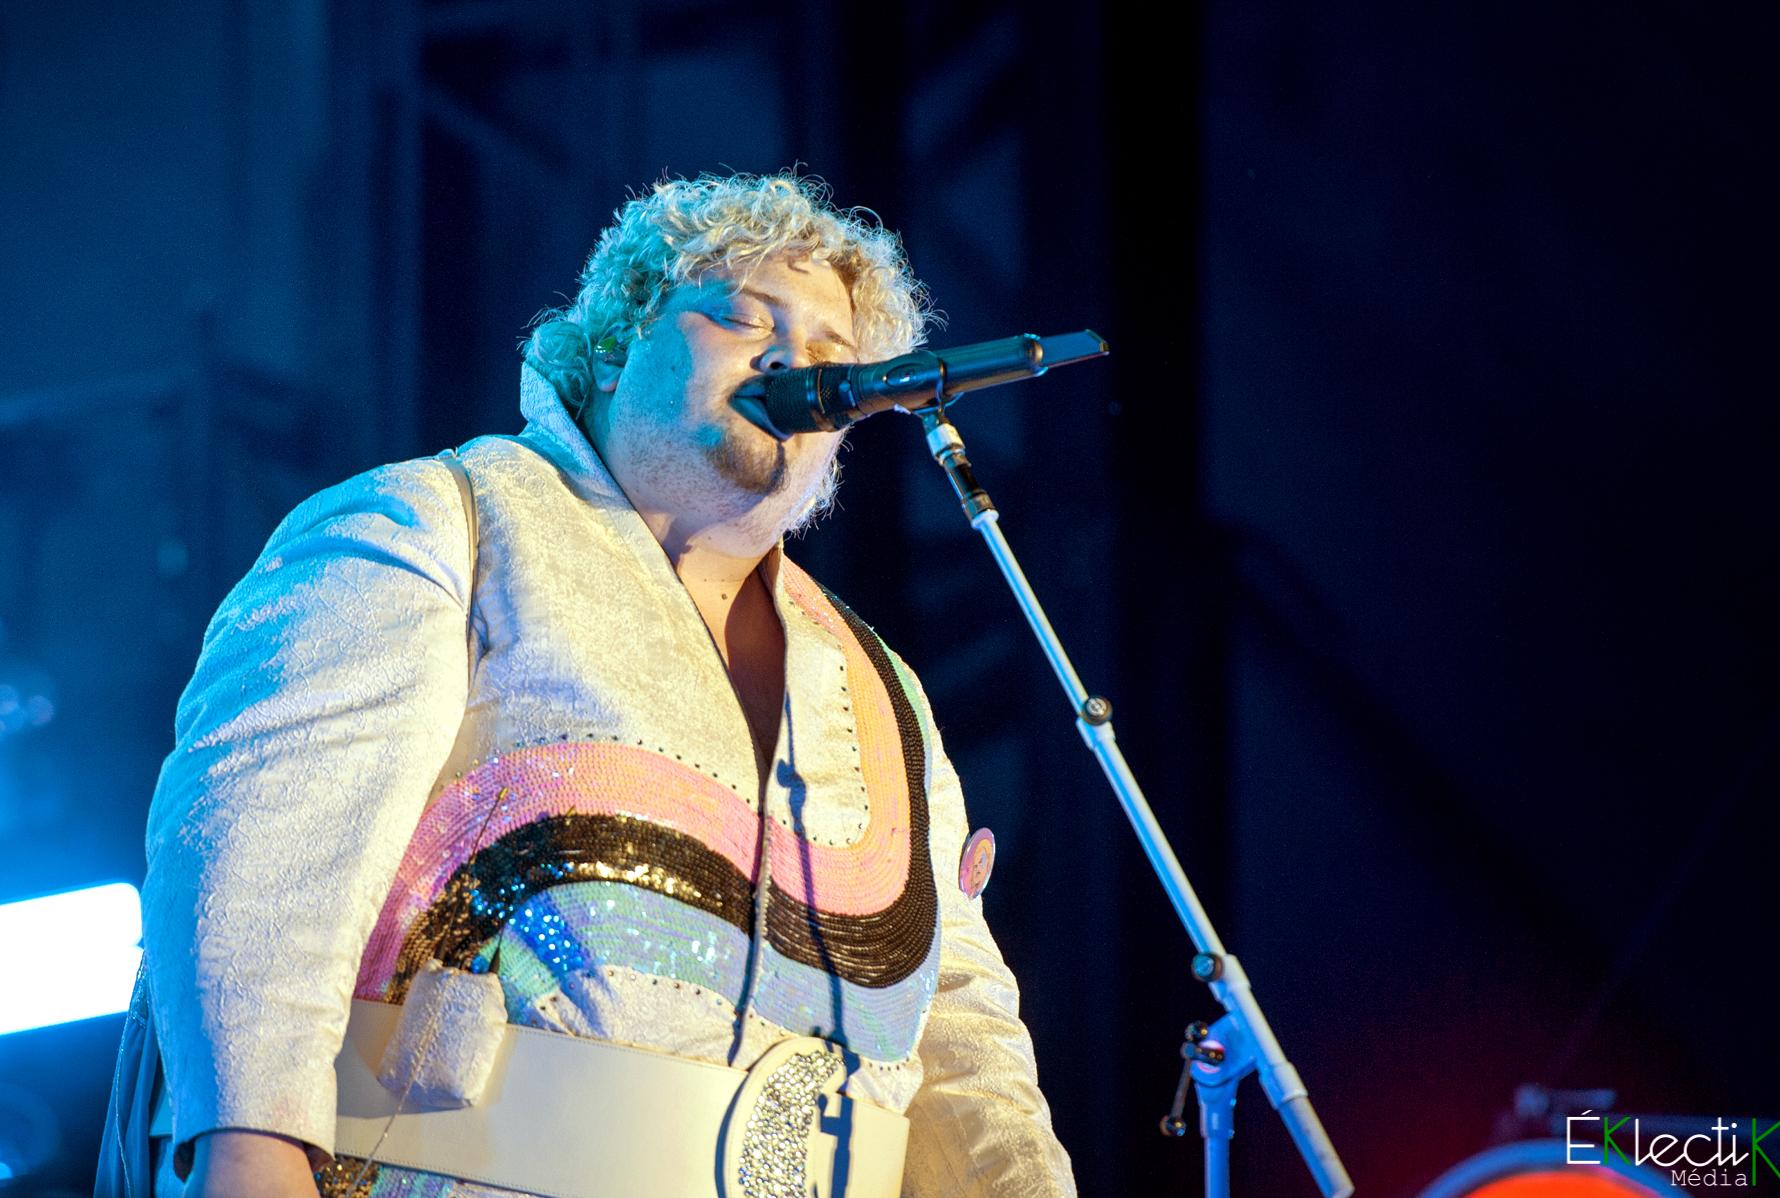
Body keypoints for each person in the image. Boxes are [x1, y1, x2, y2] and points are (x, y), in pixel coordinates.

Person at [112, 172, 1078, 1197]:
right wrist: (249, 1152)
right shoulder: (437, 524)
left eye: (831, 354)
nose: (793, 362)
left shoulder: (884, 692)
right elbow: (262, 864)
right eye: (741, 317)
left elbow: (959, 1030)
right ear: (617, 341)